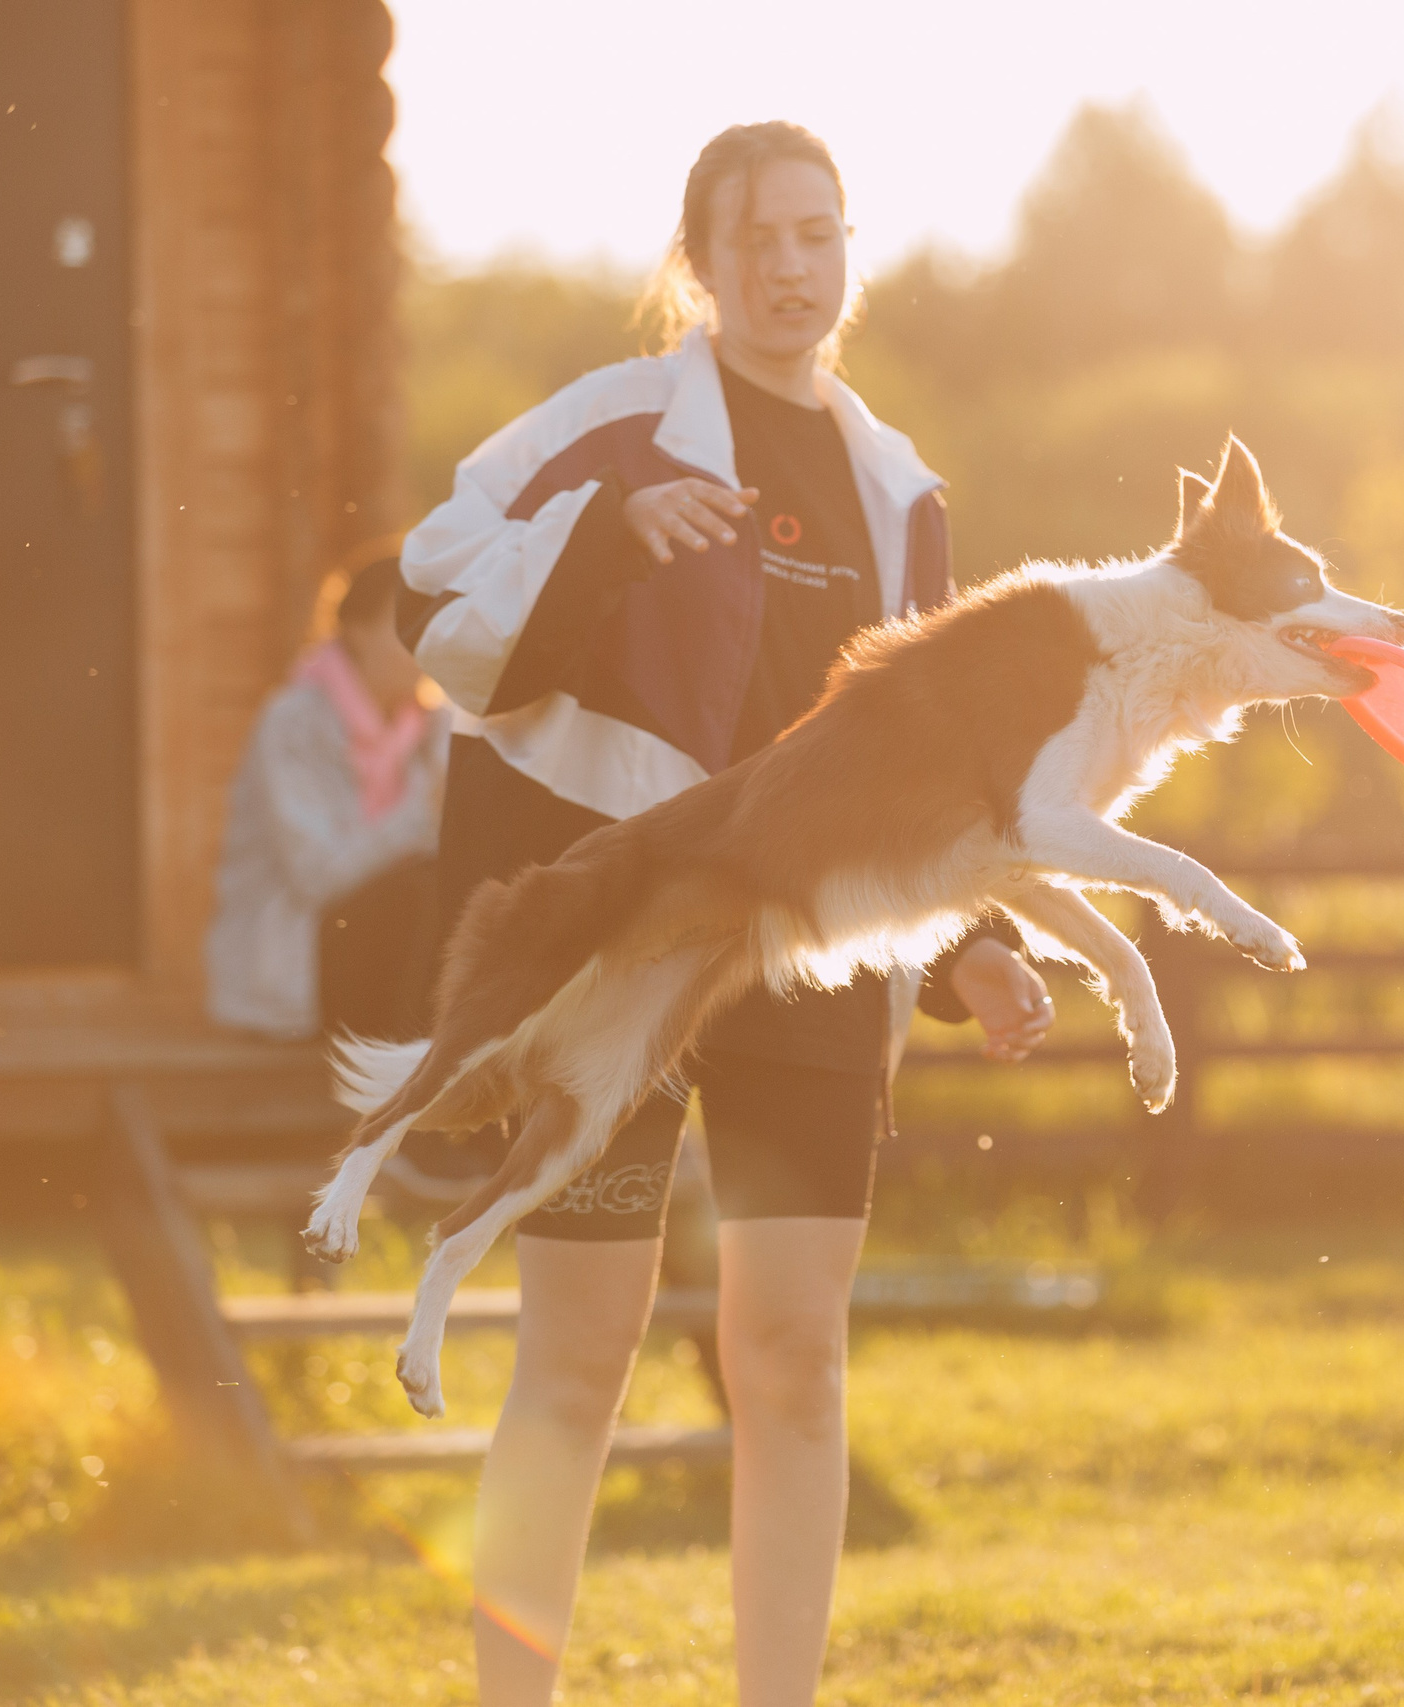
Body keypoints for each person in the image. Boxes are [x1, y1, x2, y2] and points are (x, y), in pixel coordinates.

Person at [397, 121, 1055, 1707]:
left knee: (793, 1364)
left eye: (817, 235)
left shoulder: (902, 496)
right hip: (624, 941)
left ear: (850, 255)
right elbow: (433, 596)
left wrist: (976, 940)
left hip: (813, 954)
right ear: (697, 261)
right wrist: (605, 539)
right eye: (755, 237)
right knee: (577, 1359)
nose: (788, 266)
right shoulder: (611, 428)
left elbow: (923, 773)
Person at [207, 552, 448, 1041]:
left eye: (434, 625)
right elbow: (318, 873)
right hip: (293, 970)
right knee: (420, 891)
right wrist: (424, 813)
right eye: (407, 625)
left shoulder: (434, 727)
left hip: (381, 967)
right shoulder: (291, 722)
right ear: (357, 632)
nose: (425, 644)